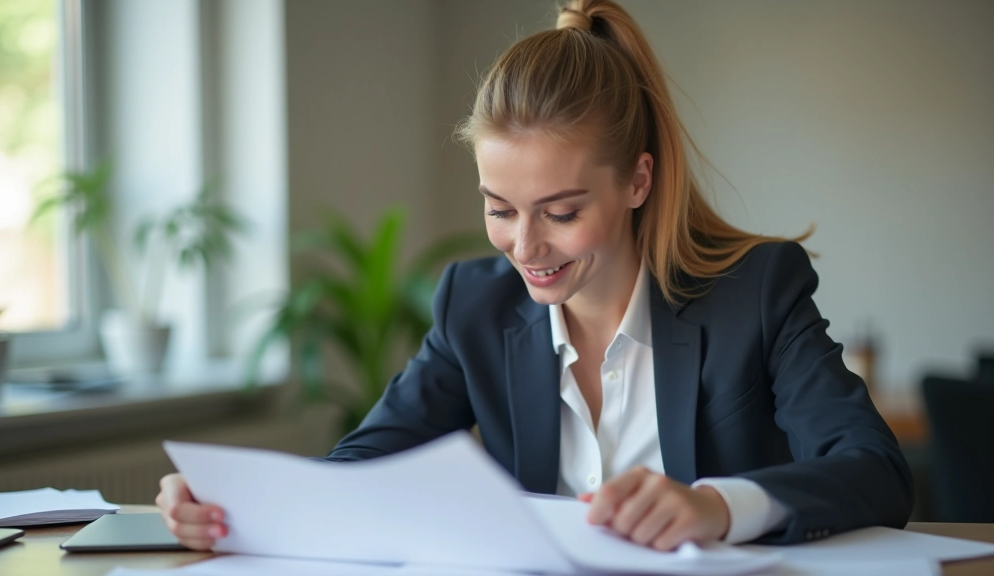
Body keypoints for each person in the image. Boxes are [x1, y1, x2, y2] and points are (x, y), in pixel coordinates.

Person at [156, 0, 913, 552]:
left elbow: (874, 471)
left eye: (559, 211)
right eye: (500, 209)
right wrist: (233, 507)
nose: (525, 246)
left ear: (637, 181)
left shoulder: (756, 291)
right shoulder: (473, 306)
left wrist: (716, 507)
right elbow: (364, 468)